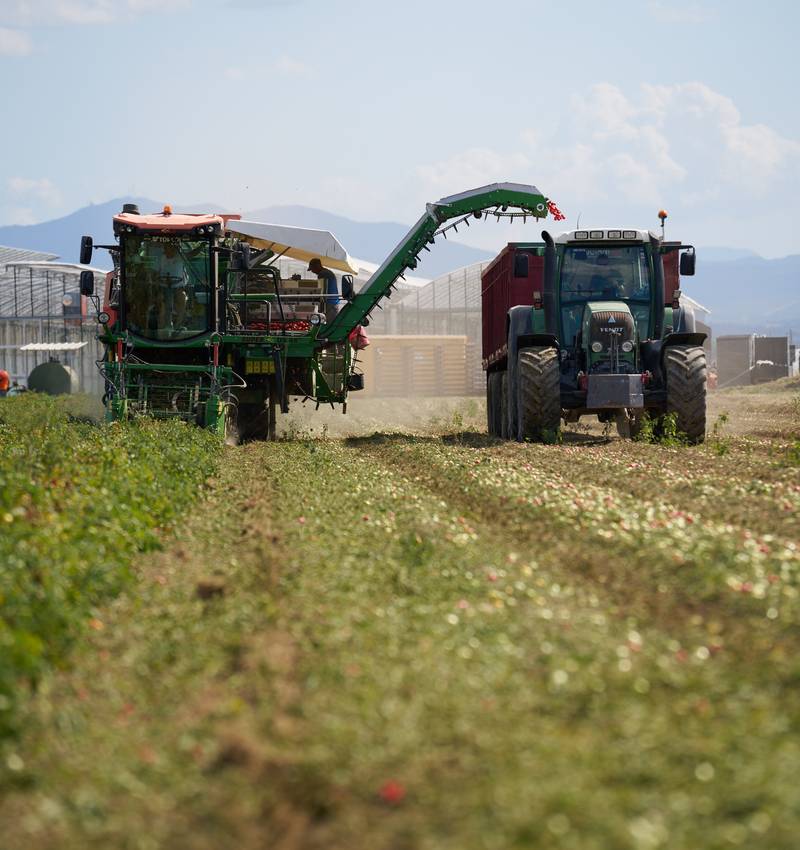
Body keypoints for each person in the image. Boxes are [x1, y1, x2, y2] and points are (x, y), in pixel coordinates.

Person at [307, 258, 339, 322]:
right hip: (332, 302)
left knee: (328, 325)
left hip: (330, 303)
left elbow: (321, 290)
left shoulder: (323, 274)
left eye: (313, 269)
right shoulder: (327, 272)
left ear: (317, 266)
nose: (313, 271)